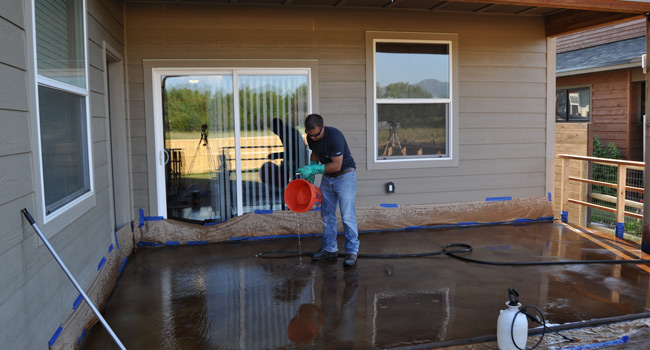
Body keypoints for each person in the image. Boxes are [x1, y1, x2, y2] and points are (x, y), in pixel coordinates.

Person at [297, 114, 359, 267]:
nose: (313, 138)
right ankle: (329, 248)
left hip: (344, 176)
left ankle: (351, 251)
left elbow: (336, 165)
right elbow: (315, 152)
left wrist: (314, 169)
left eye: (316, 134)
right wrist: (311, 169)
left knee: (347, 216)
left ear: (322, 128)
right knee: (327, 215)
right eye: (310, 135)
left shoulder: (335, 136)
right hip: (328, 178)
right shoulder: (312, 137)